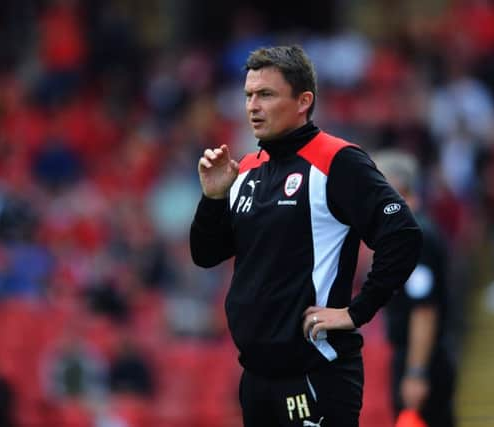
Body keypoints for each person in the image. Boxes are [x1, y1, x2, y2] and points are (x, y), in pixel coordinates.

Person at [190, 45, 422, 427]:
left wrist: (356, 311)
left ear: (303, 101)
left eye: (266, 94)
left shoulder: (337, 160)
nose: (252, 106)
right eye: (248, 95)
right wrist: (214, 198)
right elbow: (206, 254)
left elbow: (403, 234)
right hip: (255, 380)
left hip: (315, 373)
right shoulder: (248, 168)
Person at [373, 149, 456, 427]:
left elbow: (424, 309)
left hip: (422, 359)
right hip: (418, 357)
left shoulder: (414, 235)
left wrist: (416, 372)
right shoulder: (406, 230)